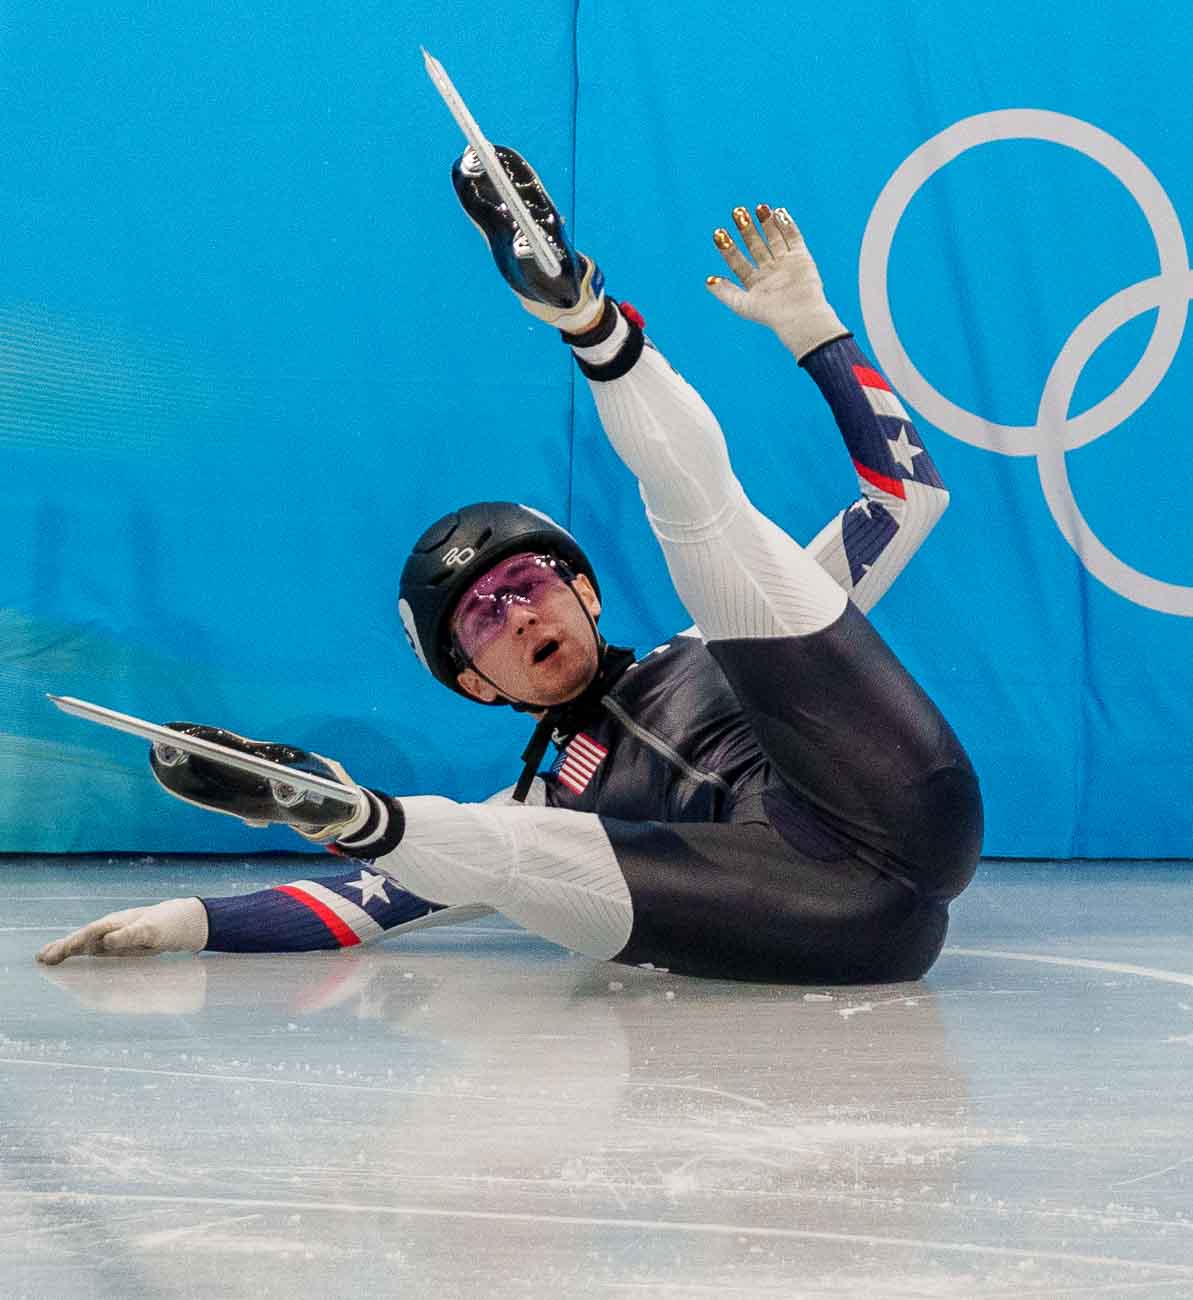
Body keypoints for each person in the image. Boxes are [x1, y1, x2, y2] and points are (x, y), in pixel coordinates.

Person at [37, 146, 982, 983]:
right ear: (475, 686)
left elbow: (907, 502)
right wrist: (185, 921)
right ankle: (327, 802)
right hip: (807, 919)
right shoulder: (529, 804)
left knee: (707, 532)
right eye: (483, 618)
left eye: (527, 585)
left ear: (585, 591)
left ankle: (588, 320)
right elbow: (355, 908)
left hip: (903, 802)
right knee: (493, 845)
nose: (520, 615)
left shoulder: (715, 639)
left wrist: (815, 330)